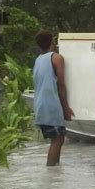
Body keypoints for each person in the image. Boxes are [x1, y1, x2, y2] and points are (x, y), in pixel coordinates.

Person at [33, 30, 74, 166]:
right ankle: (51, 170)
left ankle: (54, 172)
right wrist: (66, 108)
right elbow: (61, 84)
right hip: (51, 105)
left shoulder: (38, 59)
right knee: (58, 139)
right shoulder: (56, 58)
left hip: (40, 105)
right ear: (52, 42)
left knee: (57, 138)